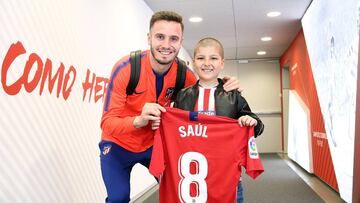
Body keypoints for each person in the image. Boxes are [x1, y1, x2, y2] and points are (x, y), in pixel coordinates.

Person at [99, 11, 241, 203]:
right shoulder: (126, 69)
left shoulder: (184, 75)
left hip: (155, 145)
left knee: (180, 192)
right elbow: (107, 123)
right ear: (149, 38)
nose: (166, 45)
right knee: (118, 198)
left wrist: (227, 85)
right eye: (160, 37)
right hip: (118, 146)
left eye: (173, 38)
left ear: (180, 42)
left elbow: (207, 84)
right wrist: (138, 121)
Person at [172, 37, 264, 203]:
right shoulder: (182, 96)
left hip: (227, 179)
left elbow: (257, 125)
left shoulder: (233, 95)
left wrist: (251, 121)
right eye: (201, 58)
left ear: (222, 63)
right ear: (193, 62)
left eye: (213, 58)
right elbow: (174, 129)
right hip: (192, 178)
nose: (207, 63)